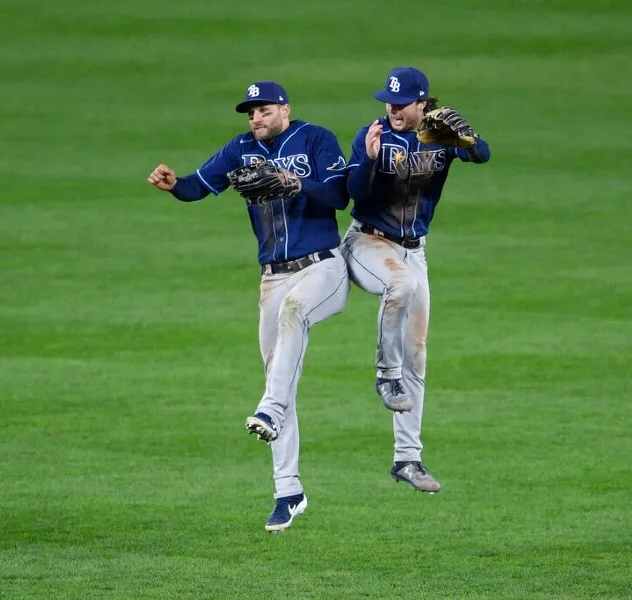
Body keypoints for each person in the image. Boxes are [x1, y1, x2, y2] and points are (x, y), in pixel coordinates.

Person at [147, 81, 350, 531]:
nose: (255, 118)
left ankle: (270, 410)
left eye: (263, 110)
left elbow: (339, 196)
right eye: (250, 113)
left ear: (285, 109)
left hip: (324, 269)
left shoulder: (316, 138)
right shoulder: (240, 149)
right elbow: (197, 187)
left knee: (295, 311)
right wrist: (172, 184)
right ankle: (288, 492)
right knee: (278, 371)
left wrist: (291, 181)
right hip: (272, 276)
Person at [342, 67, 491, 493]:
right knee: (400, 285)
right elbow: (355, 194)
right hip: (367, 242)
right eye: (388, 101)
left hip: (414, 250)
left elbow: (482, 156)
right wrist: (369, 161)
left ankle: (407, 459)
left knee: (418, 353)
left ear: (423, 104)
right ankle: (385, 374)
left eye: (402, 103)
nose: (392, 110)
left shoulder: (439, 137)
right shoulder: (372, 135)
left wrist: (470, 138)